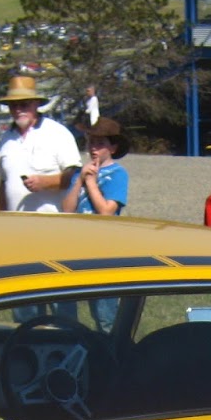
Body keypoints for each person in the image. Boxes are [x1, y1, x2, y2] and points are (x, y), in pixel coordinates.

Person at [61, 118, 129, 332]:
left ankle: (111, 354)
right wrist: (80, 180)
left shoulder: (118, 174)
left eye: (100, 143)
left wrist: (91, 183)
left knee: (105, 313)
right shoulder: (81, 173)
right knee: (65, 309)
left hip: (103, 250)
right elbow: (66, 209)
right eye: (91, 142)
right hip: (75, 247)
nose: (93, 148)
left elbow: (107, 211)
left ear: (113, 147)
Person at [0, 73, 81, 213]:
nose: (18, 110)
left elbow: (75, 175)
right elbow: (4, 183)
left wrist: (46, 183)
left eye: (24, 104)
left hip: (51, 226)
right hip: (15, 227)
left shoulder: (57, 133)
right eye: (13, 105)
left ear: (36, 104)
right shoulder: (6, 139)